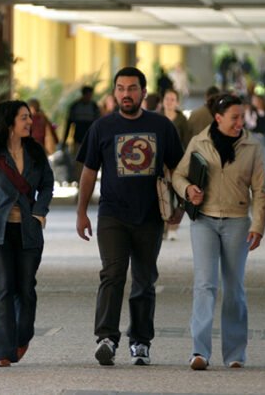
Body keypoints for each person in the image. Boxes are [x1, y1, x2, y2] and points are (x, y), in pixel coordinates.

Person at [75, 67, 184, 367]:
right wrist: (82, 212)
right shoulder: (102, 127)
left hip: (150, 216)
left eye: (132, 88)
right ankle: (106, 339)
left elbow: (178, 170)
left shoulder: (161, 127)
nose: (126, 94)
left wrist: (181, 206)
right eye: (121, 88)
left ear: (144, 93)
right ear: (114, 94)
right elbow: (88, 171)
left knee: (144, 280)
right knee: (112, 274)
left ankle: (140, 342)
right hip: (112, 214)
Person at [172, 94, 265, 370]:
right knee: (205, 284)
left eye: (242, 117)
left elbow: (261, 191)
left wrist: (258, 225)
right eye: (234, 117)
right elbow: (178, 175)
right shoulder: (199, 142)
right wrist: (188, 190)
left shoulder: (252, 146)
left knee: (234, 287)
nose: (240, 122)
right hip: (204, 221)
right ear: (218, 118)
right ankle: (199, 351)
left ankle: (235, 353)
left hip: (238, 222)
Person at [0, 100, 55, 367]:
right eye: (24, 118)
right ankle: (2, 352)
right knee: (3, 287)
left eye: (29, 117)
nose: (29, 122)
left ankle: (22, 335)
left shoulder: (35, 152)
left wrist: (39, 213)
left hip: (28, 230)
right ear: (9, 122)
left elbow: (47, 182)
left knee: (26, 287)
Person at [161, 88, 190, 242]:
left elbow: (187, 141)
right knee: (162, 195)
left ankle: (173, 227)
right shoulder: (157, 118)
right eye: (167, 99)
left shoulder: (181, 120)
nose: (169, 102)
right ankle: (164, 227)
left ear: (177, 102)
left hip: (178, 164)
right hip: (160, 164)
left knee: (178, 195)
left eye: (172, 99)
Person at [64, 85, 101, 181]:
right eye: (88, 95)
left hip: (91, 140)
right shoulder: (75, 106)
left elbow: (98, 124)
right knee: (78, 163)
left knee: (90, 162)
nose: (89, 97)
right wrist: (64, 140)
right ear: (84, 94)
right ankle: (79, 183)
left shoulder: (93, 106)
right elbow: (69, 123)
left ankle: (87, 182)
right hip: (78, 139)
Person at [245, 95, 265, 177]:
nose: (254, 102)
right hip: (255, 137)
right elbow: (250, 125)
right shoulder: (251, 111)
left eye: (256, 100)